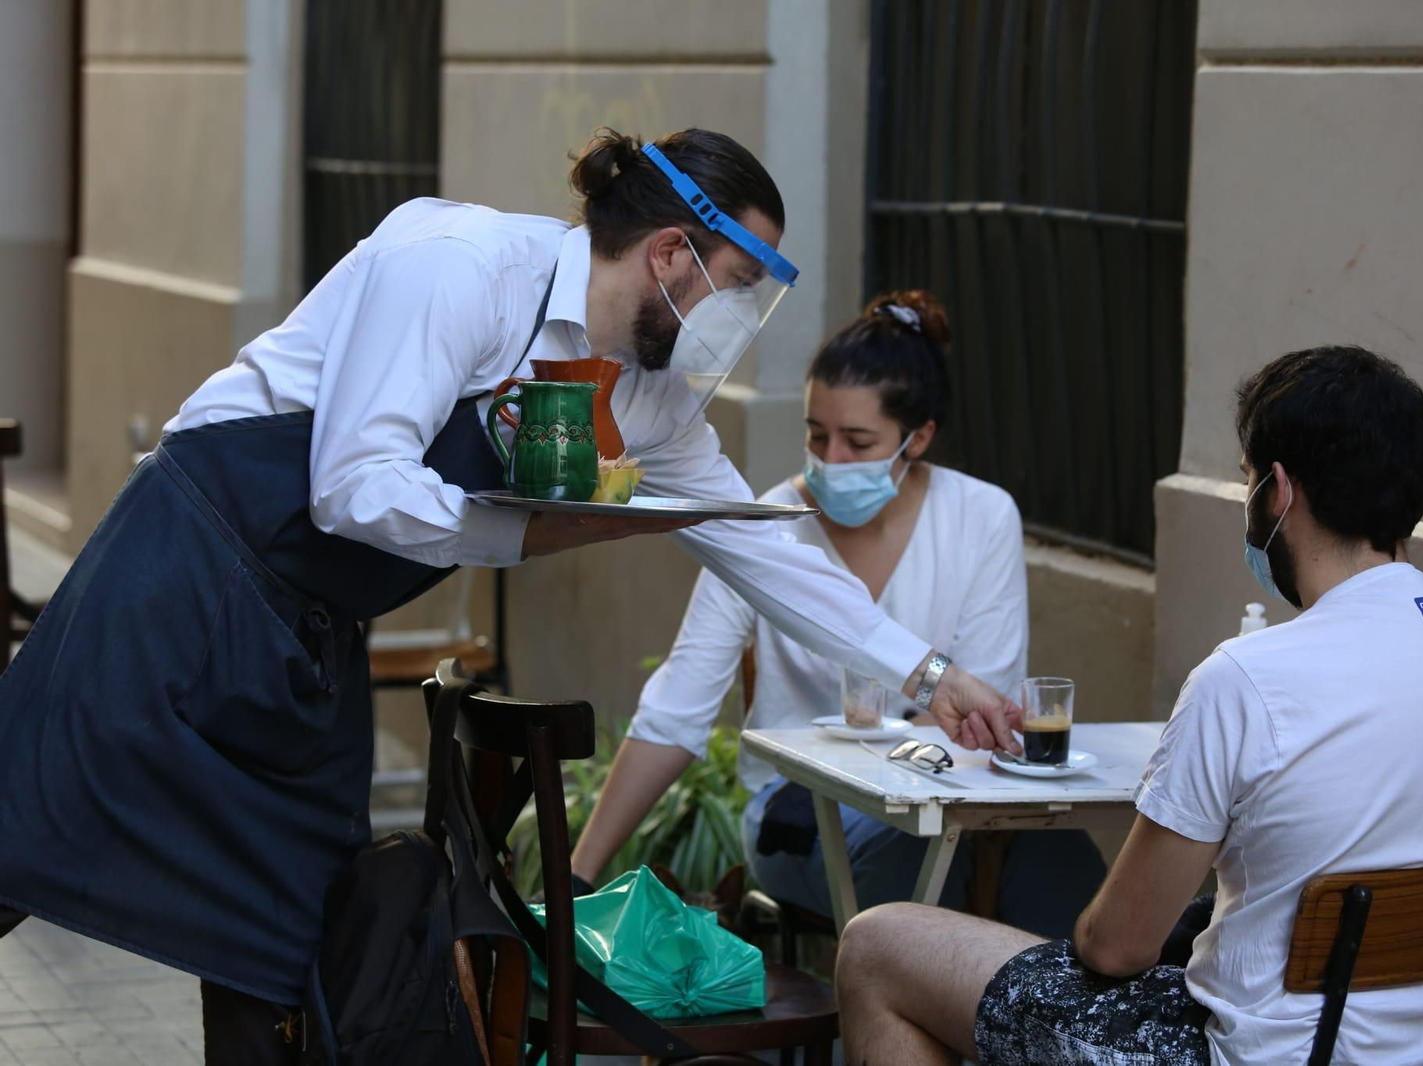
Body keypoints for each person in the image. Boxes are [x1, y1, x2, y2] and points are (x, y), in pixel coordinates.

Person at [0, 128, 1021, 1063]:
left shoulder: (650, 395)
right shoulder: (463, 268)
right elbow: (352, 485)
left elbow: (765, 550)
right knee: (19, 830)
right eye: (737, 284)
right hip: (190, 567)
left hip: (311, 637)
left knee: (292, 936)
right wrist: (542, 528)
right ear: (669, 254)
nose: (740, 321)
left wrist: (929, 674)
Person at [833, 345, 1423, 1065]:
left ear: (1278, 490)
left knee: (876, 945)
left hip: (1259, 1055)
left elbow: (1116, 947)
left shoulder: (1246, 678)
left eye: (1246, 483)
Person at [569, 291, 1105, 935]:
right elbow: (677, 709)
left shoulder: (980, 517)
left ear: (919, 438)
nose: (831, 462)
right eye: (816, 436)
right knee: (933, 878)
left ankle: (1075, 1033)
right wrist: (576, 876)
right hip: (803, 813)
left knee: (1063, 864)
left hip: (944, 806)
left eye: (857, 440)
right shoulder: (764, 528)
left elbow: (982, 711)